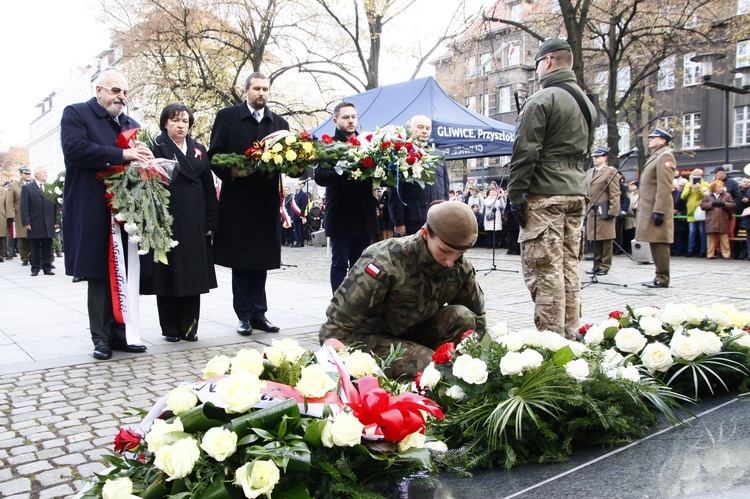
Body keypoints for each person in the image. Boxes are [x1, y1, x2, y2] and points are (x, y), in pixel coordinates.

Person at [319, 201, 485, 378]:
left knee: (463, 317)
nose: (450, 262)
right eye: (444, 251)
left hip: (414, 333)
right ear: (426, 233)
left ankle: (452, 381)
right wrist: (343, 368)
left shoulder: (459, 267)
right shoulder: (384, 260)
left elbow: (477, 318)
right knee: (430, 370)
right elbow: (337, 324)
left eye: (458, 254)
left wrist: (479, 367)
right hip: (370, 339)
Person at [507, 38, 596, 339]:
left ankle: (551, 345)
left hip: (545, 194)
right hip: (575, 192)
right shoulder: (585, 101)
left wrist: (515, 194)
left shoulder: (542, 100)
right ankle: (570, 336)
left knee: (544, 272)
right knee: (569, 268)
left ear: (547, 62)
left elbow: (525, 153)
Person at [60, 68, 150, 360]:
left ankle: (123, 333)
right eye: (114, 91)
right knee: (100, 273)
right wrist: (123, 155)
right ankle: (101, 337)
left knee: (126, 271)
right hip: (93, 208)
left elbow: (138, 159)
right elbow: (75, 149)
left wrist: (148, 160)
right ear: (98, 90)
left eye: (124, 92)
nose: (121, 97)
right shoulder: (76, 114)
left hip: (126, 211)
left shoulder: (130, 124)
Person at [208, 72, 289, 335]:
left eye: (265, 89)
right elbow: (215, 155)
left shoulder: (279, 123)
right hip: (238, 202)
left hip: (265, 202)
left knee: (262, 260)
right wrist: (232, 171)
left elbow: (287, 158)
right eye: (256, 88)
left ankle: (259, 314)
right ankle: (243, 315)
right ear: (246, 91)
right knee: (241, 261)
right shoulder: (227, 117)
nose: (261, 93)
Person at [142, 103, 219, 342]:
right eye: (175, 120)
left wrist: (210, 219)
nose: (181, 125)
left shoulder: (198, 149)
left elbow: (208, 185)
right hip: (167, 218)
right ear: (165, 123)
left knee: (192, 274)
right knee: (168, 273)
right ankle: (170, 328)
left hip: (195, 219)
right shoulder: (155, 146)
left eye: (185, 121)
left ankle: (189, 326)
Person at [314, 102, 378, 293]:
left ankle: (358, 305)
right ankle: (339, 307)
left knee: (362, 265)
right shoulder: (327, 145)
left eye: (353, 117)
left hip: (364, 215)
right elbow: (320, 177)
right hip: (341, 214)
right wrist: (343, 171)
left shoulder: (369, 143)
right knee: (340, 264)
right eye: (345, 117)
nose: (350, 121)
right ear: (335, 120)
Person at [388, 115, 450, 236]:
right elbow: (395, 192)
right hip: (412, 221)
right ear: (410, 128)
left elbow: (445, 188)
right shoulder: (402, 153)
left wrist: (445, 213)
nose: (424, 131)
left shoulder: (439, 155)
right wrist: (399, 222)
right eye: (420, 127)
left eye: (428, 128)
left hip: (436, 220)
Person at [636, 127, 677, 288]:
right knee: (654, 241)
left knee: (660, 243)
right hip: (651, 207)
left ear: (663, 140)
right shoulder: (656, 155)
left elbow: (665, 186)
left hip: (658, 207)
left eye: (654, 137)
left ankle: (662, 278)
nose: (650, 139)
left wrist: (659, 210)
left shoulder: (665, 156)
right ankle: (659, 275)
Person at [584, 148, 620, 275]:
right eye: (594, 156)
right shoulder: (589, 172)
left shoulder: (610, 171)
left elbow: (615, 193)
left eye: (598, 156)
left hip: (604, 208)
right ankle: (596, 264)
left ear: (605, 158)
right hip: (592, 209)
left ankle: (605, 265)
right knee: (595, 238)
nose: (595, 159)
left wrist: (612, 210)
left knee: (606, 239)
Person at [20, 166, 56, 276]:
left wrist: (56, 221)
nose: (46, 174)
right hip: (35, 222)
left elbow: (55, 205)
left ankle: (47, 267)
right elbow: (24, 207)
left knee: (47, 245)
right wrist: (26, 222)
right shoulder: (28, 188)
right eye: (44, 172)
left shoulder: (50, 187)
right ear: (37, 175)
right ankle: (35, 268)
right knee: (35, 246)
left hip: (48, 222)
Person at [700, 180, 736, 260]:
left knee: (724, 237)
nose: (721, 188)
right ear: (714, 188)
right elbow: (702, 206)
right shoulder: (707, 196)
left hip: (723, 219)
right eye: (719, 186)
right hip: (711, 219)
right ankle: (710, 254)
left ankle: (726, 254)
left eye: (722, 186)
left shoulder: (727, 195)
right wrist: (711, 204)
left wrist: (724, 204)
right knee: (710, 237)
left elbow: (733, 205)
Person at [5, 167, 33, 265]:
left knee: (33, 236)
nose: (28, 176)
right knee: (22, 237)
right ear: (21, 174)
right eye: (26, 174)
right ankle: (24, 257)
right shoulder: (14, 186)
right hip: (20, 214)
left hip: (33, 214)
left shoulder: (34, 184)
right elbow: (9, 202)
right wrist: (9, 216)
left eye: (29, 174)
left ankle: (33, 256)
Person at [681, 168, 709, 257]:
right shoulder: (688, 184)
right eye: (695, 175)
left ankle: (703, 250)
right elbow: (683, 197)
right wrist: (689, 189)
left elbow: (706, 196)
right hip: (691, 212)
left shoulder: (705, 184)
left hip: (701, 212)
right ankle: (690, 250)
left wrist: (700, 189)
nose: (697, 177)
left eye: (699, 175)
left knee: (701, 231)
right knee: (692, 232)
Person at [671, 177, 689, 256]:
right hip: (669, 218)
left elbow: (684, 206)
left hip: (678, 217)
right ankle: (671, 250)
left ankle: (678, 250)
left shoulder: (679, 193)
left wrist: (680, 212)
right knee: (671, 235)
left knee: (678, 235)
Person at [290, 181, 308, 247]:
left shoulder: (303, 194)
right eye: (294, 186)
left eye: (296, 186)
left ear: (299, 186)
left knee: (300, 229)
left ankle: (301, 242)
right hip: (294, 214)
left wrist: (302, 215)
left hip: (299, 214)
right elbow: (292, 205)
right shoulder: (294, 194)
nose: (295, 187)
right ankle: (297, 241)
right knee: (296, 229)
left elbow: (303, 205)